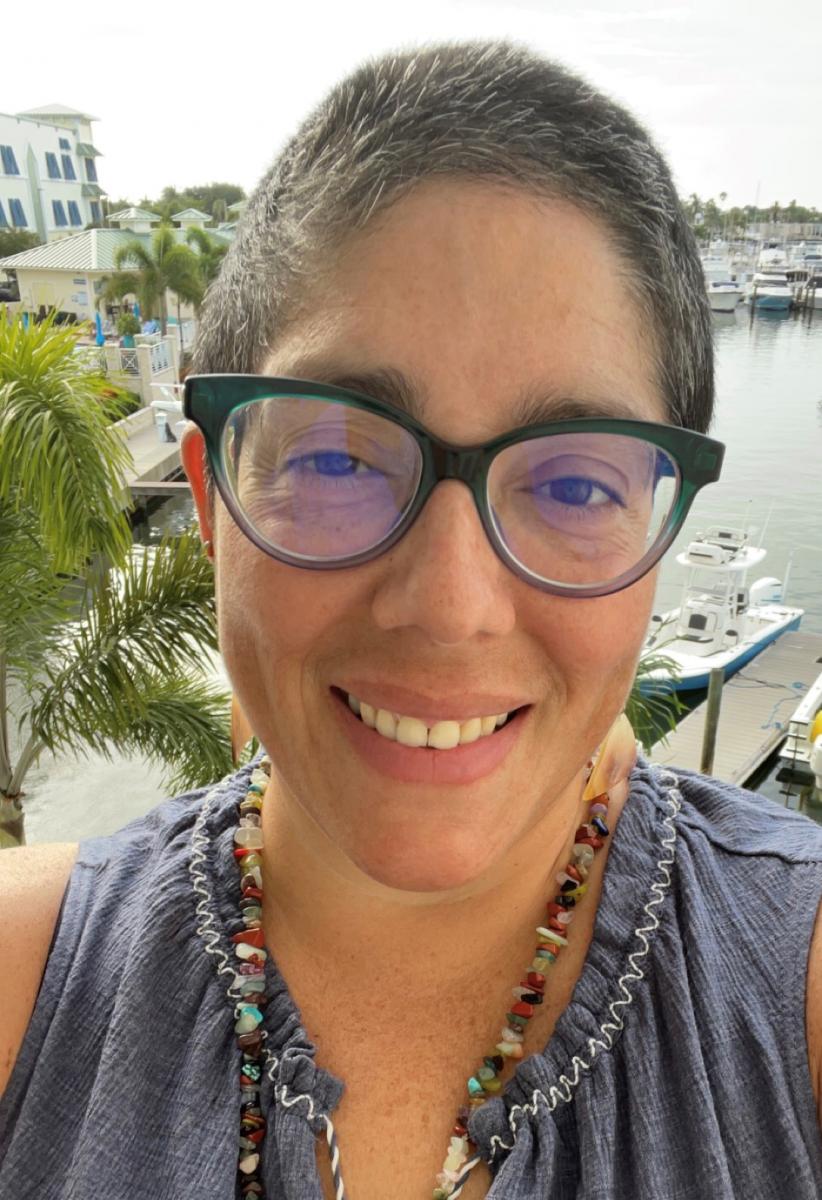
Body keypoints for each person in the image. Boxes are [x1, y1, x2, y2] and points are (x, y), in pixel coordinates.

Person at [1, 40, 820, 1200]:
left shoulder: (796, 989)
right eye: (336, 457)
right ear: (212, 501)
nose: (449, 605)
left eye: (577, 486)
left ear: (658, 538)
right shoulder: (22, 985)